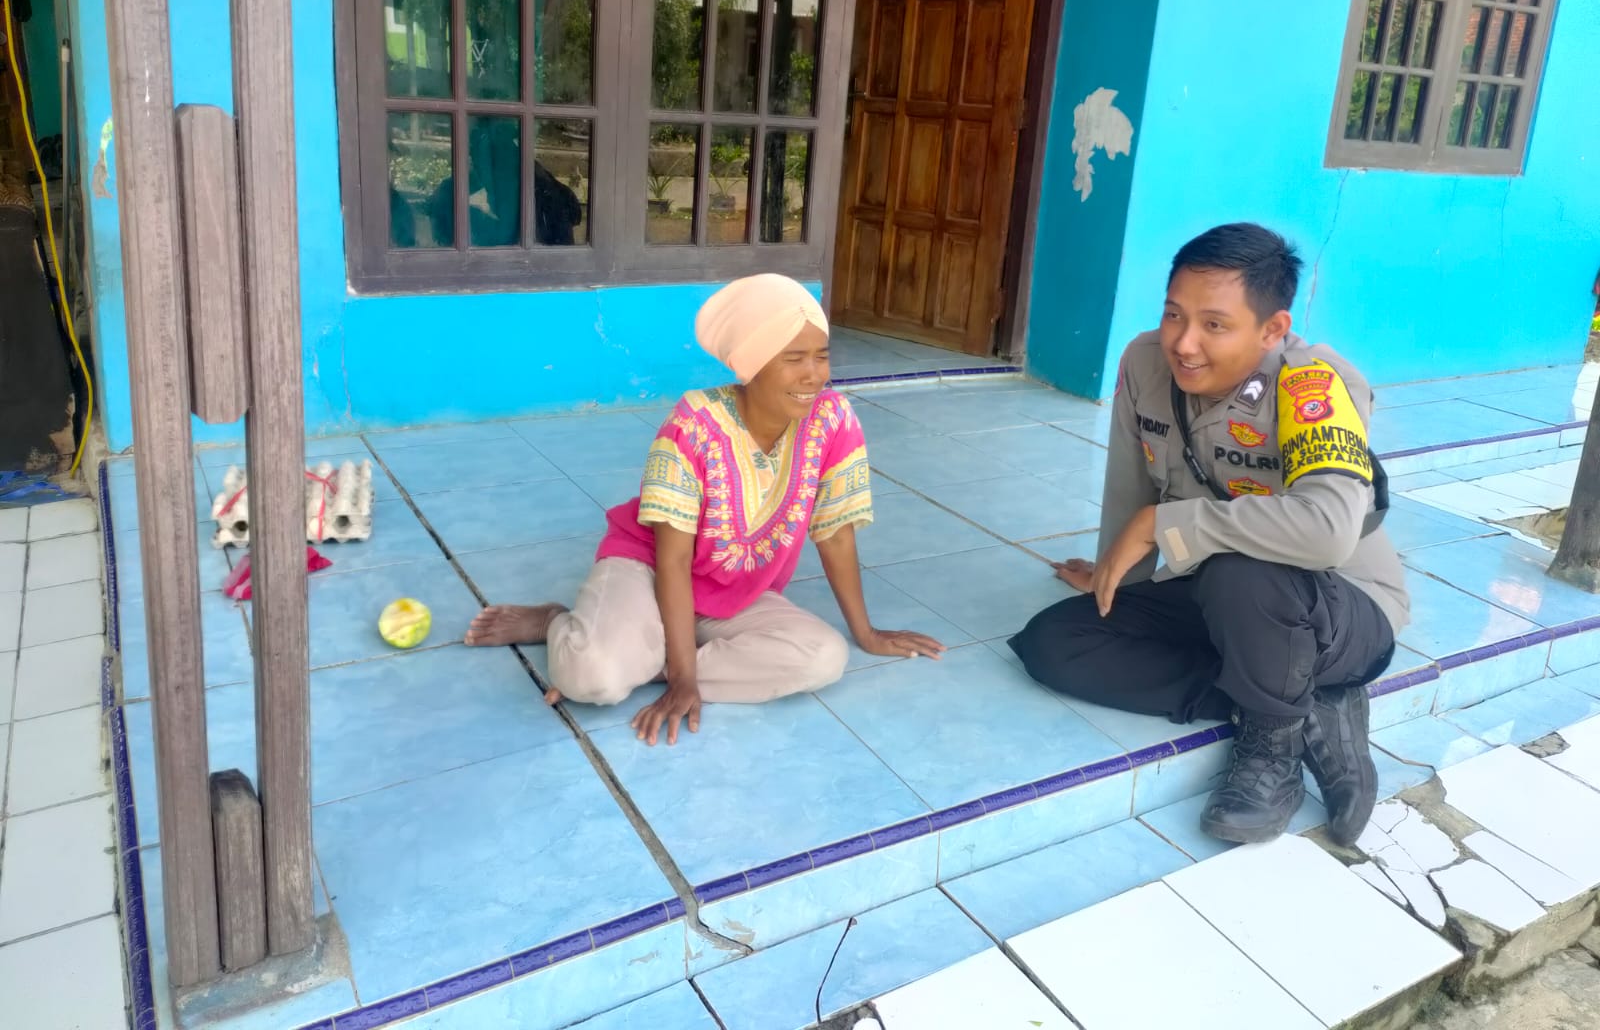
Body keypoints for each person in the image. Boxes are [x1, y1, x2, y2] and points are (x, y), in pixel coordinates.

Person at [1009, 224, 1407, 847]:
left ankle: (1270, 751)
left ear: (1272, 329)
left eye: (1214, 325)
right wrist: (1116, 573)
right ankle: (1305, 699)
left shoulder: (1313, 383)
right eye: (1174, 314)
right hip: (1217, 595)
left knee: (1242, 570)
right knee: (1054, 642)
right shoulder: (1144, 362)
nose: (1183, 342)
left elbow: (1327, 533)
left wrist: (1167, 525)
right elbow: (1130, 489)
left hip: (1338, 611)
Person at [466, 274, 945, 745]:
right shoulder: (693, 425)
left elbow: (835, 533)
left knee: (823, 657)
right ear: (751, 365)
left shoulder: (833, 418)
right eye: (793, 358)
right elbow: (673, 560)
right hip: (649, 569)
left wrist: (866, 633)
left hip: (736, 591)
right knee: (595, 681)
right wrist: (682, 679)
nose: (814, 375)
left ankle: (647, 659)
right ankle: (554, 621)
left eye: (821, 356)